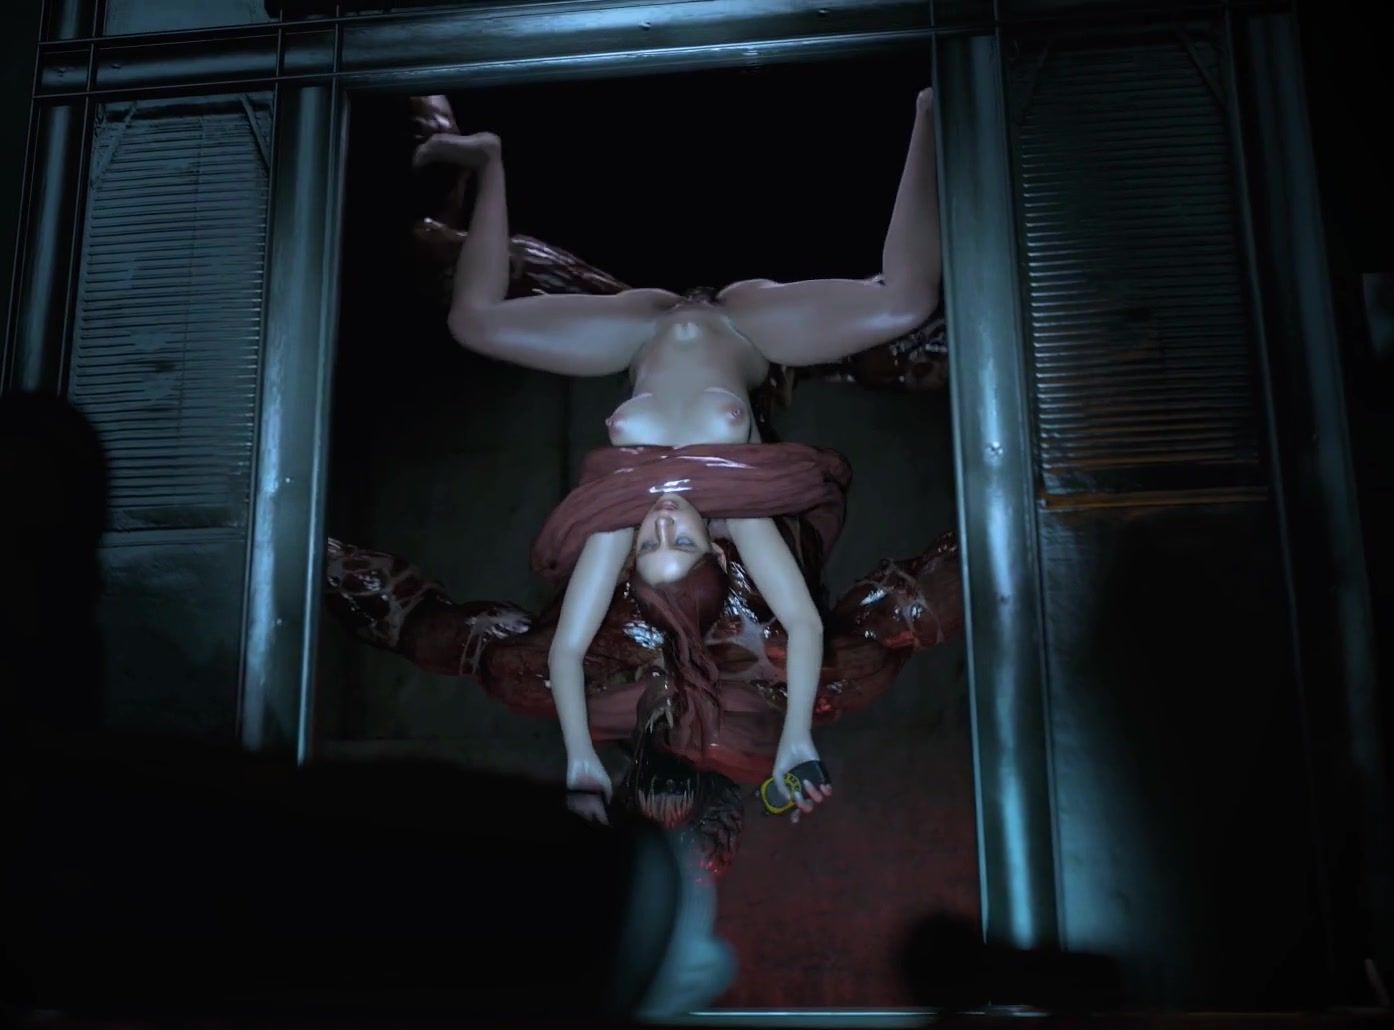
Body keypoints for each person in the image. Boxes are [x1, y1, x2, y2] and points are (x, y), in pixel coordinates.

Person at [410, 87, 942, 827]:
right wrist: (795, 742)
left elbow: (566, 652)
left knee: (473, 322)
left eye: (650, 545)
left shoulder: (619, 520)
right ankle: (931, 112)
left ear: (631, 554)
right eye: (680, 541)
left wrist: (580, 760)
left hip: (639, 333)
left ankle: (487, 158)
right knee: (905, 304)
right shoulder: (737, 516)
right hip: (748, 329)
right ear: (715, 548)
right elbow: (806, 625)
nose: (662, 523)